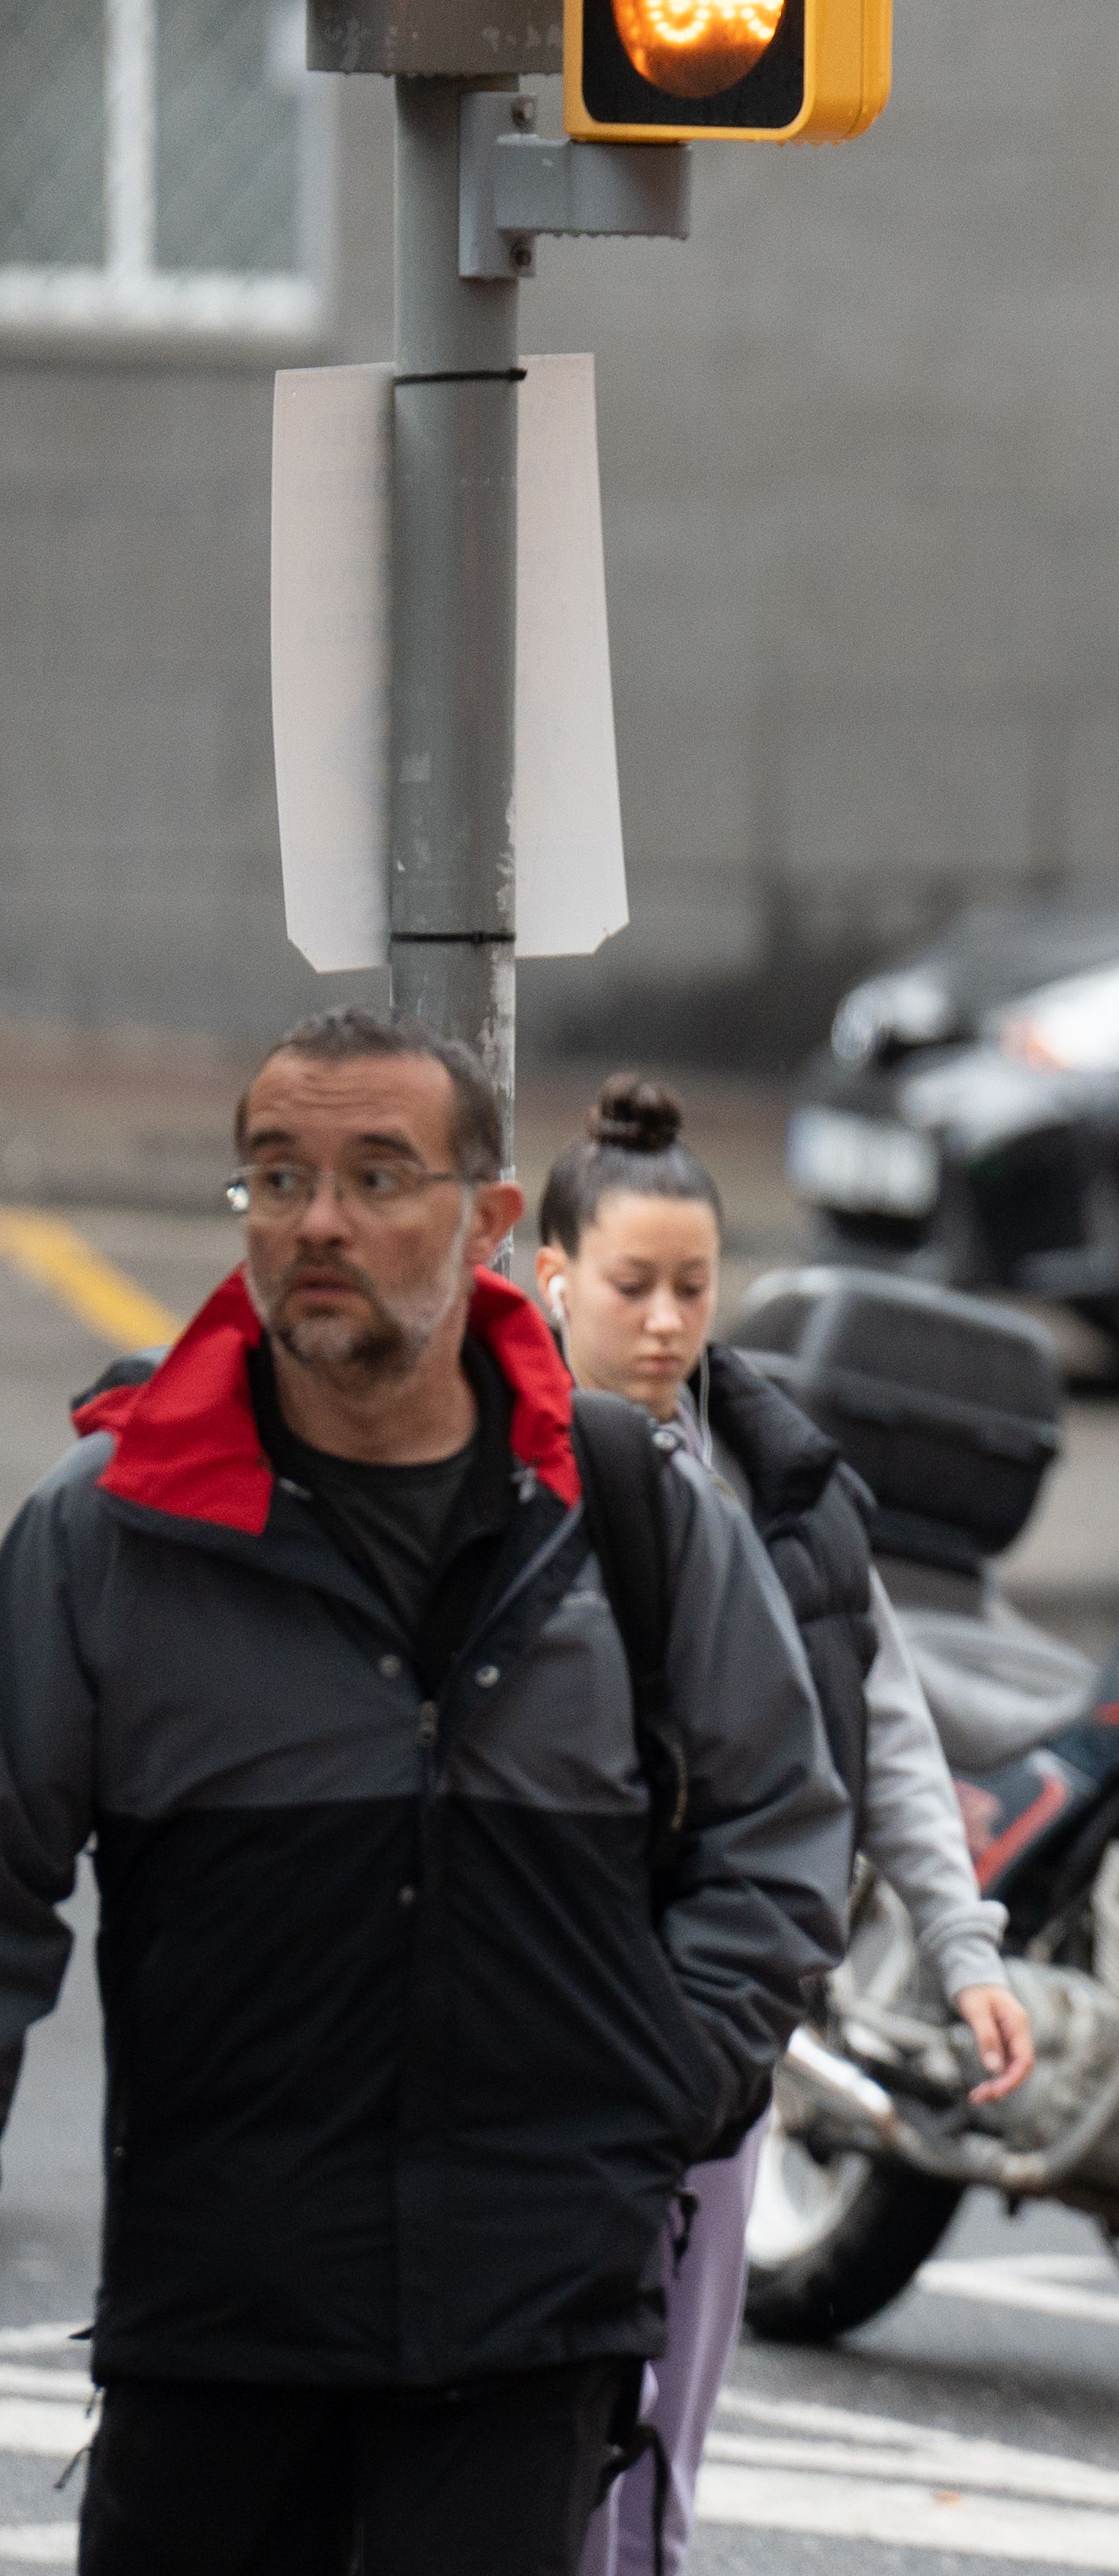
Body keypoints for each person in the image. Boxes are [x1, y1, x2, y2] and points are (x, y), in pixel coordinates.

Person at [0, 1006, 849, 2576]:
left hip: (527, 2324)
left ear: (490, 1218)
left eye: (379, 1175)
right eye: (277, 1176)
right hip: (217, 2322)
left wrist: (653, 2092)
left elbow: (781, 1833)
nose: (319, 1219)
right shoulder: (112, 1528)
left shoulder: (631, 1514)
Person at [531, 1073, 1037, 2576]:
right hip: (523, 2032)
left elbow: (880, 1724)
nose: (669, 1322)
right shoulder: (483, 1470)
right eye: (632, 1287)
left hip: (712, 2037)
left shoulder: (774, 1484)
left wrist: (965, 1946)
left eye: (695, 1286)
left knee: (657, 2446)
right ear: (547, 1274)